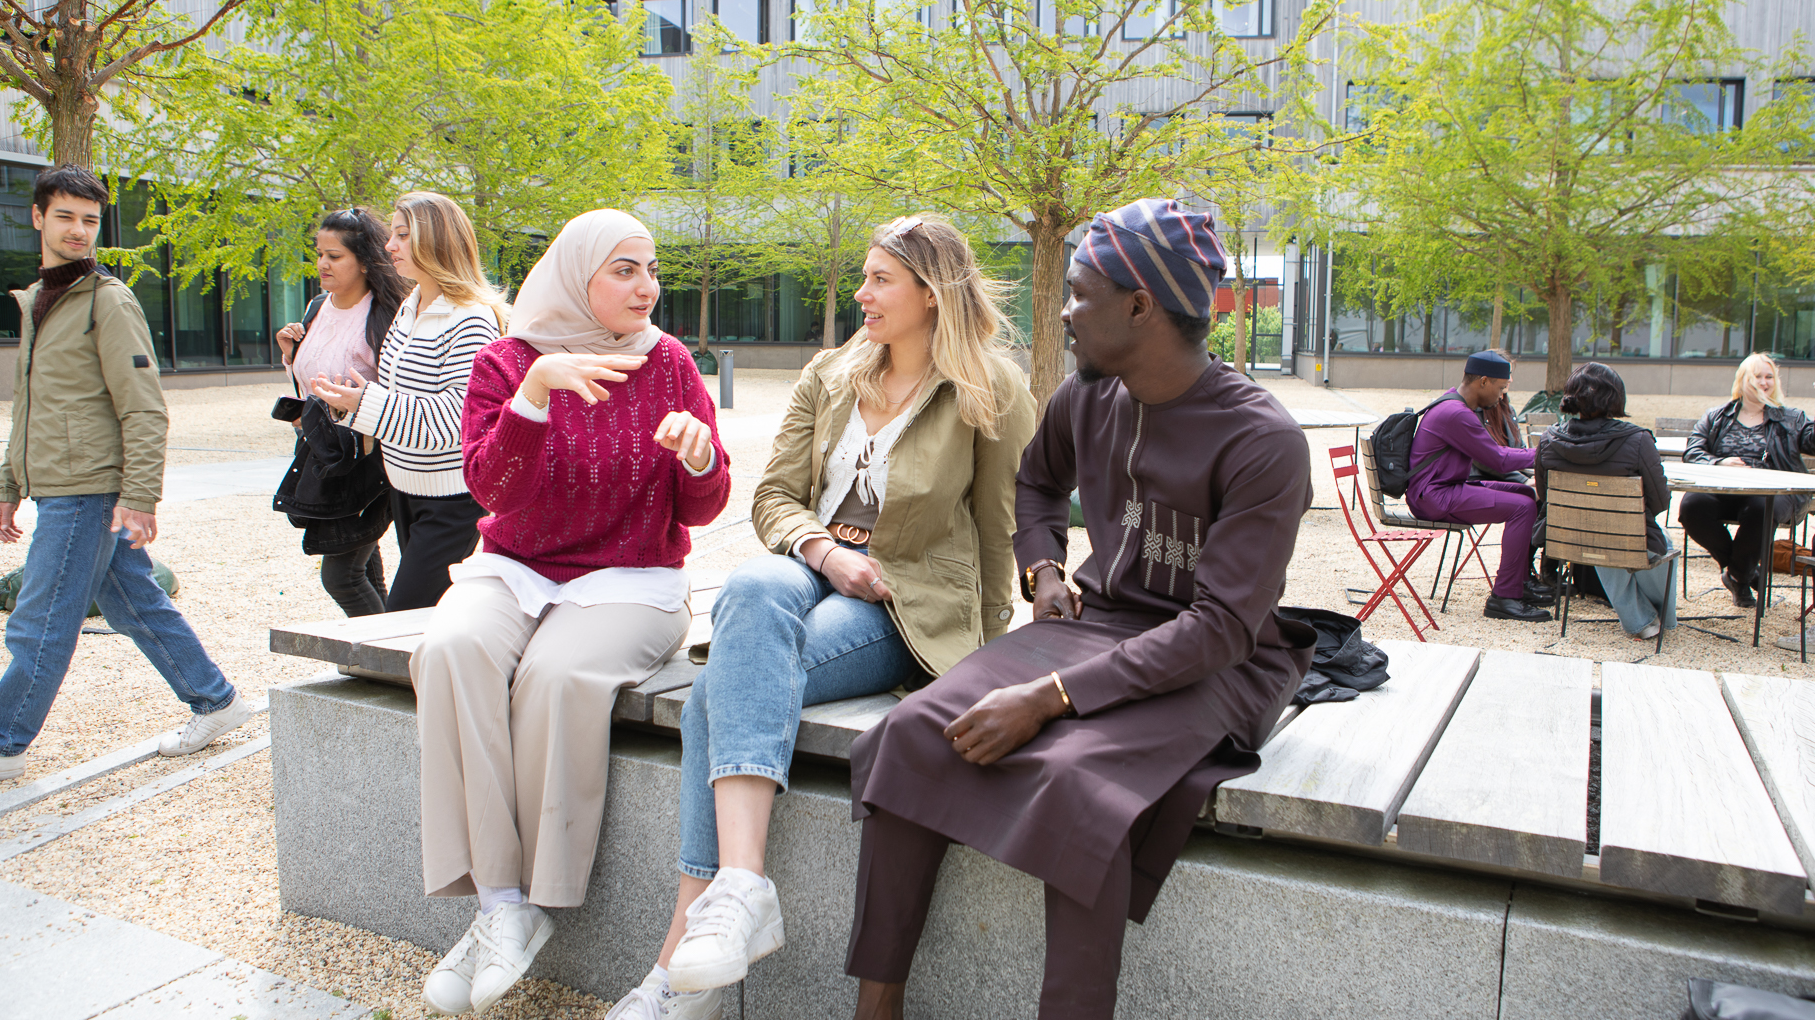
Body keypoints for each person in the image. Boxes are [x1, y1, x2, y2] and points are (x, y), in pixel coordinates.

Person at [842, 199, 1317, 1020]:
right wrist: (1045, 570)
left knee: (1079, 786)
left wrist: (1049, 698)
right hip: (1092, 626)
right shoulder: (1086, 398)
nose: (1062, 311)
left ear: (1139, 306)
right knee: (913, 731)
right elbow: (1035, 485)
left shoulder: (1262, 440)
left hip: (1222, 662)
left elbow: (1220, 629)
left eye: (1079, 293)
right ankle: (876, 1008)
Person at [606, 216, 1037, 1020]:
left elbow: (997, 528)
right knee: (752, 585)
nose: (860, 294)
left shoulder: (991, 389)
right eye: (864, 277)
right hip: (813, 569)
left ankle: (677, 966)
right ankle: (741, 888)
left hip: (903, 603)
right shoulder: (832, 372)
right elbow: (773, 496)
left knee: (717, 693)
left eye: (880, 280)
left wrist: (985, 655)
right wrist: (821, 550)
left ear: (930, 293)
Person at [409, 209, 731, 1016]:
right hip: (515, 569)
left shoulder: (667, 363)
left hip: (631, 578)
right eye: (624, 268)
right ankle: (501, 906)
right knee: (448, 648)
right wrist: (533, 396)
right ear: (574, 274)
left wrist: (700, 457)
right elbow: (492, 490)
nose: (646, 286)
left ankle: (538, 897)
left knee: (555, 676)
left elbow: (701, 507)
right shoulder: (507, 360)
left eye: (650, 269)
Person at [0, 165, 251, 782]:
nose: (78, 230)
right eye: (65, 216)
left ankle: (6, 740)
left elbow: (143, 406)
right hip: (62, 482)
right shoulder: (36, 302)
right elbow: (29, 406)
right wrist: (8, 486)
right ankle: (215, 700)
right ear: (37, 217)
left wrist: (139, 496)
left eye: (90, 220)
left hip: (88, 488)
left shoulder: (107, 301)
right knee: (135, 604)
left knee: (40, 620)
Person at [312, 191, 505, 611]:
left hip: (452, 497)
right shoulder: (410, 306)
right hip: (405, 486)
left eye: (402, 235)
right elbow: (398, 396)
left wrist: (363, 404)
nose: (389, 245)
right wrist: (349, 405)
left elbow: (455, 420)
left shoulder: (470, 318)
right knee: (423, 620)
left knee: (406, 616)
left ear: (434, 240)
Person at [273, 208, 410, 616]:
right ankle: (382, 649)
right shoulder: (317, 307)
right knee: (364, 570)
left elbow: (399, 393)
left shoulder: (387, 316)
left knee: (342, 576)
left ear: (364, 261)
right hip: (322, 454)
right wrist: (291, 355)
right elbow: (310, 381)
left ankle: (387, 654)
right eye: (319, 254)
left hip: (367, 460)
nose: (322, 264)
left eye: (334, 256)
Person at [1405, 350, 1555, 622]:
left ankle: (1519, 582)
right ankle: (1504, 598)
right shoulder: (1456, 413)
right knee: (1522, 507)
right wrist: (1549, 452)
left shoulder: (1452, 403)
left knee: (1527, 493)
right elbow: (1498, 459)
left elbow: (1496, 456)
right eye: (1501, 388)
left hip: (1441, 489)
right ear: (1483, 381)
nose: (1502, 396)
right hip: (1435, 497)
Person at [1535, 364, 1676, 640]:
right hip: (1626, 536)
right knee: (1649, 538)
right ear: (1616, 397)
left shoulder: (1548, 439)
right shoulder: (1638, 440)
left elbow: (1544, 495)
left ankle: (1642, 621)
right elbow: (1660, 501)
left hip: (1568, 537)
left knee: (1602, 532)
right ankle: (1661, 619)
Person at [1680, 353, 1815, 616]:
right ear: (1742, 380)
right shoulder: (1716, 416)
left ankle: (1738, 577)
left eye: (1769, 377)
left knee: (1761, 508)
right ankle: (1744, 572)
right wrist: (1719, 462)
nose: (1764, 382)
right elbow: (1692, 452)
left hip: (1773, 492)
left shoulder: (1792, 418)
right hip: (1724, 489)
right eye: (1757, 376)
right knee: (1691, 506)